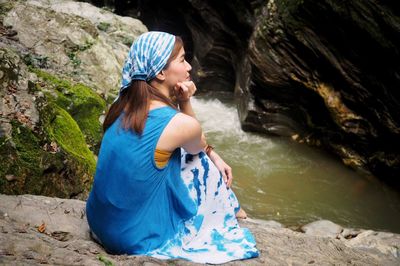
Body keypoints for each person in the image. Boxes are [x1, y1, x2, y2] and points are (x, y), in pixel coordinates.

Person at [86, 31, 259, 264]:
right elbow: (198, 145)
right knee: (199, 162)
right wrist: (185, 102)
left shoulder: (120, 106)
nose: (189, 67)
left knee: (177, 155)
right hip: (134, 239)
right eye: (182, 59)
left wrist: (210, 150)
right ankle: (232, 209)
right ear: (159, 72)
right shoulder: (177, 123)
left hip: (99, 225)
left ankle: (233, 207)